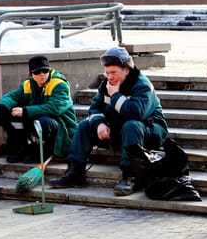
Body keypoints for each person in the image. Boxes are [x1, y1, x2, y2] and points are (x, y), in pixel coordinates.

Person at [49, 46, 168, 196]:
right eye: (107, 73)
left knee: (132, 125)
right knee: (85, 126)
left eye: (113, 73)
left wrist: (116, 95)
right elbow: (94, 108)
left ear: (127, 70)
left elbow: (136, 113)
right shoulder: (106, 84)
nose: (109, 77)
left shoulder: (142, 85)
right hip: (120, 131)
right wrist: (100, 124)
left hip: (148, 133)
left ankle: (131, 176)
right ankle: (76, 172)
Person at [0, 55, 77, 163]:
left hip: (62, 126)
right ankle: (19, 148)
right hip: (38, 120)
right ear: (31, 74)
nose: (42, 74)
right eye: (37, 72)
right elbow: (13, 96)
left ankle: (48, 150)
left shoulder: (60, 85)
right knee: (8, 115)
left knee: (42, 122)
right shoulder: (28, 84)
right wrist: (2, 106)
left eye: (45, 70)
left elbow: (55, 108)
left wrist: (25, 111)